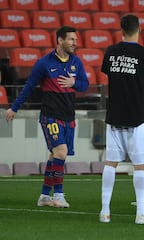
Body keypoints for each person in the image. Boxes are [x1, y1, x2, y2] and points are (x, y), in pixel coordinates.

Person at [4, 26, 89, 208]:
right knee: (61, 152)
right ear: (60, 40)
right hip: (50, 116)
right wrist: (14, 108)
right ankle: (58, 195)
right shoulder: (44, 63)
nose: (75, 43)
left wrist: (75, 82)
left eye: (75, 39)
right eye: (71, 40)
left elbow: (85, 85)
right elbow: (29, 86)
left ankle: (44, 196)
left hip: (68, 116)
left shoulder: (77, 62)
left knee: (54, 156)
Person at [99, 14, 144, 224]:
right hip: (137, 115)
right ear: (140, 29)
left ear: (121, 29)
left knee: (110, 163)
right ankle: (141, 213)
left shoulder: (111, 51)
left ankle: (105, 211)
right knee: (139, 165)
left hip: (114, 113)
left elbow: (110, 75)